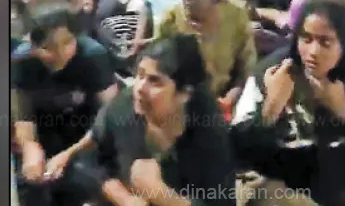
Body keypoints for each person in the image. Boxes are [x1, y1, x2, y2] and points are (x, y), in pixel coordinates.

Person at [231, 0, 345, 206]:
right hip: (276, 178)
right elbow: (238, 148)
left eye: (325, 42)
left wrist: (344, 111)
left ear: (344, 43)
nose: (313, 52)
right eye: (306, 39)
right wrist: (271, 107)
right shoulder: (271, 73)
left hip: (338, 179)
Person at [72, 34, 237, 206]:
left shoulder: (211, 136)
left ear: (184, 94)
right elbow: (90, 159)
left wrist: (162, 195)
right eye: (140, 75)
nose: (140, 88)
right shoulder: (124, 106)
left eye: (155, 81)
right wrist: (124, 198)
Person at [12, 7, 119, 206]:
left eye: (67, 43)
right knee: (30, 181)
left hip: (88, 137)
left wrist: (69, 154)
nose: (60, 54)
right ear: (32, 45)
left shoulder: (93, 56)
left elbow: (112, 116)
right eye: (48, 47)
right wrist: (29, 147)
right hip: (46, 135)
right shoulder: (22, 61)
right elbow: (22, 115)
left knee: (84, 179)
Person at [155, 0, 257, 116]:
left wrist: (229, 99)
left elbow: (247, 70)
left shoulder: (236, 17)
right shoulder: (171, 19)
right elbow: (156, 70)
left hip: (222, 104)